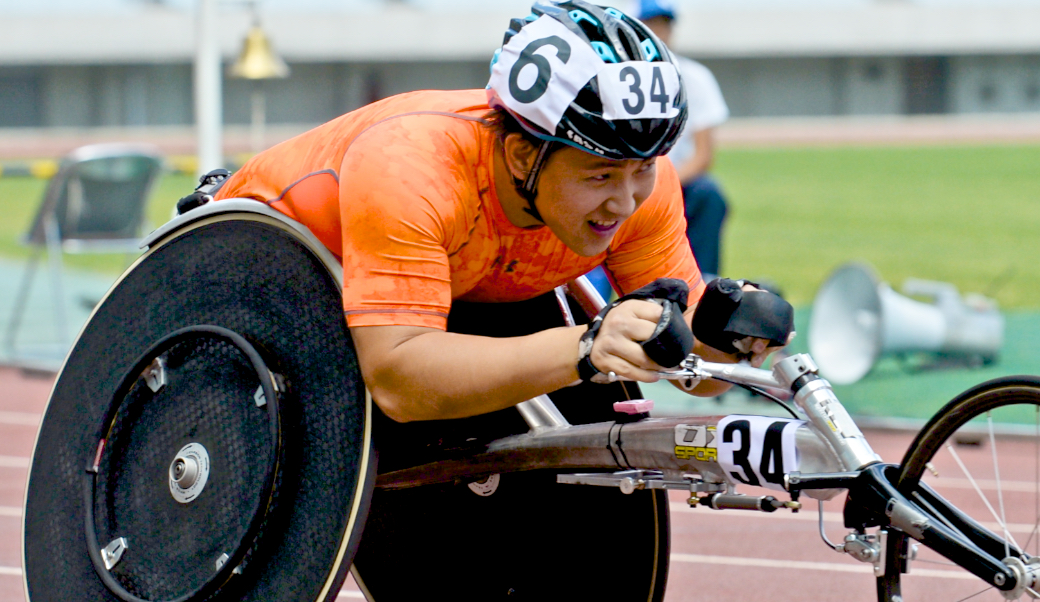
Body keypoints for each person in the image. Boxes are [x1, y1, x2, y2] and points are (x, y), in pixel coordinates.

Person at [215, 0, 784, 425]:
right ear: (520, 154)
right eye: (599, 174)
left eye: (645, 166)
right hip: (250, 273)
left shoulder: (640, 191)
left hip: (459, 287)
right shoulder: (413, 168)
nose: (626, 200)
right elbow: (399, 383)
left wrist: (731, 337)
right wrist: (588, 345)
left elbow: (690, 368)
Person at [637, 0, 730, 278]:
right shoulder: (615, 76)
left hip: (675, 181)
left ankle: (704, 284)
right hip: (625, 179)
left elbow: (703, 155)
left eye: (664, 24)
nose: (658, 31)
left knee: (709, 194)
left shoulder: (695, 78)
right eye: (650, 23)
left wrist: (661, 186)